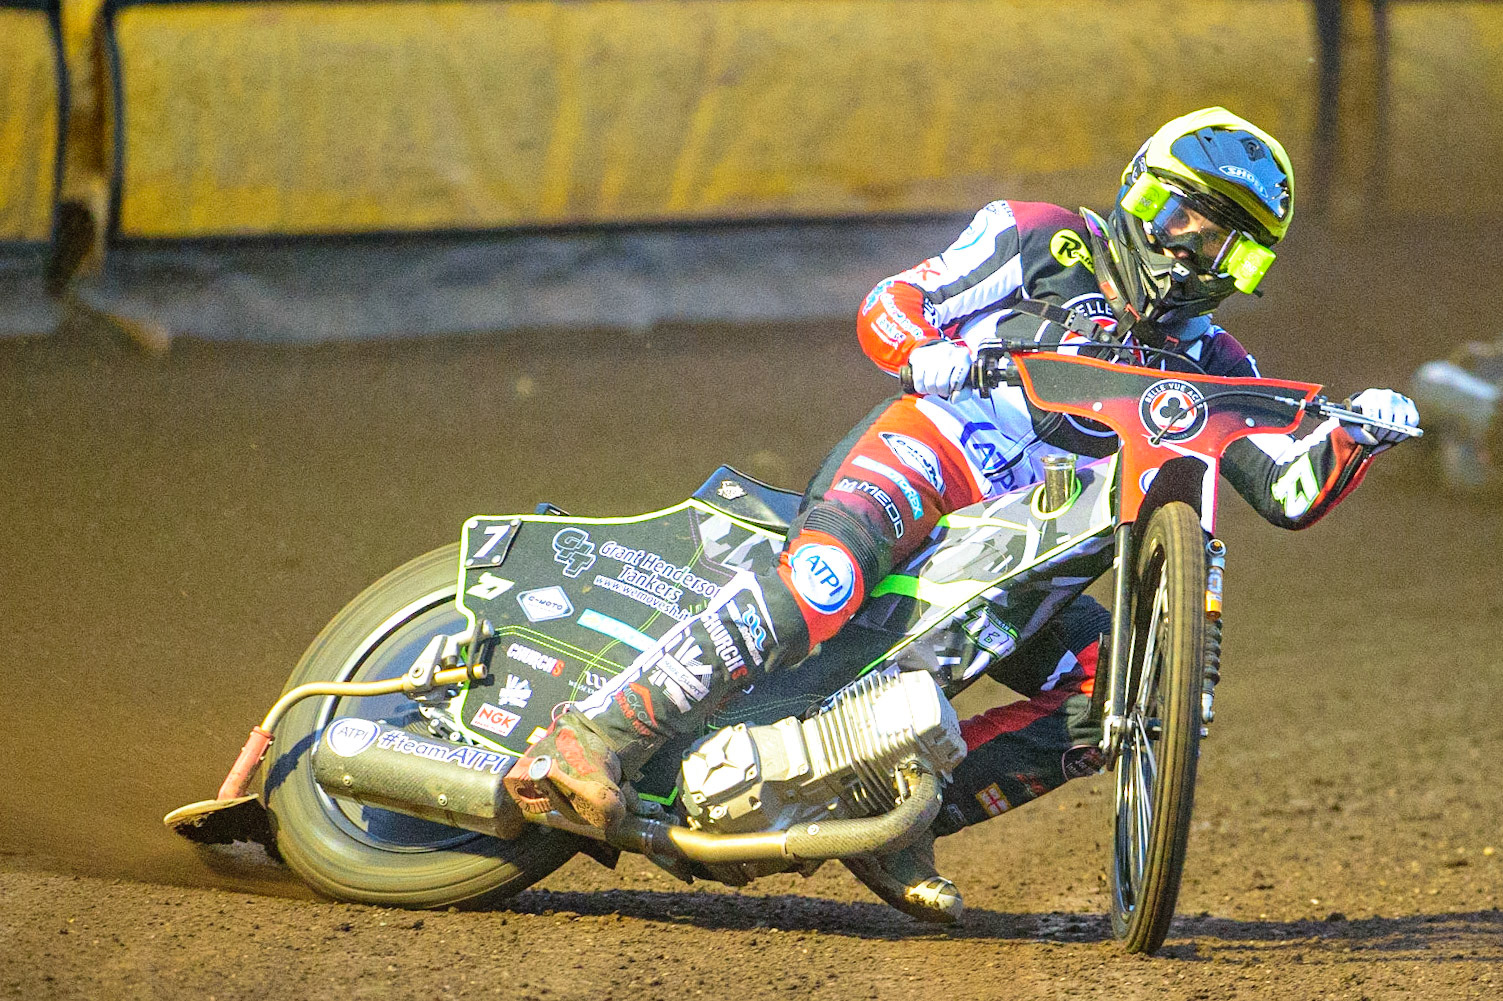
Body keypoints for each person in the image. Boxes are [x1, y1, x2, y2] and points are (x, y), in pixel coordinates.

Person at [503, 108, 1421, 922]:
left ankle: (892, 820)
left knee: (1112, 690)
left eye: (1224, 242)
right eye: (1181, 215)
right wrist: (929, 354)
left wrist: (1358, 437)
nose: (1190, 248)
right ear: (1140, 195)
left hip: (1029, 544)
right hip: (932, 453)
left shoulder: (1220, 365)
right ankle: (591, 737)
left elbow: (1282, 491)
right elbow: (892, 303)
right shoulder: (1044, 238)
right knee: (823, 579)